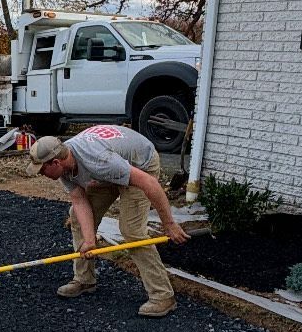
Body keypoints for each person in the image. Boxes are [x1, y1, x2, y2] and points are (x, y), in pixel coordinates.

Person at [30, 124, 189, 316]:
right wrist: (89, 241)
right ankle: (84, 280)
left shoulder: (98, 160)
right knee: (77, 218)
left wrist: (169, 224)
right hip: (109, 170)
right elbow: (80, 201)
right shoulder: (65, 167)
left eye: (41, 170)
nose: (40, 174)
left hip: (140, 164)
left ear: (55, 163)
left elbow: (149, 183)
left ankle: (163, 296)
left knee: (132, 231)